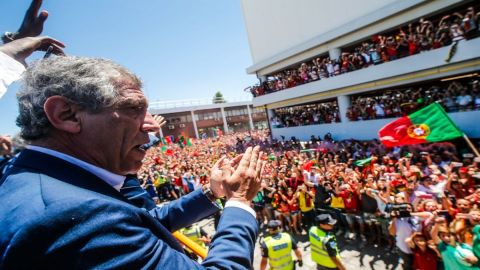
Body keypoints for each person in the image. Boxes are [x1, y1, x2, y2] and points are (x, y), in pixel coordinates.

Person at [0, 54, 266, 269]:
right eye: (132, 108)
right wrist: (239, 202)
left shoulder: (29, 177)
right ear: (66, 114)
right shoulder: (78, 218)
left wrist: (212, 192)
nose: (150, 126)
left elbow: (143, 220)